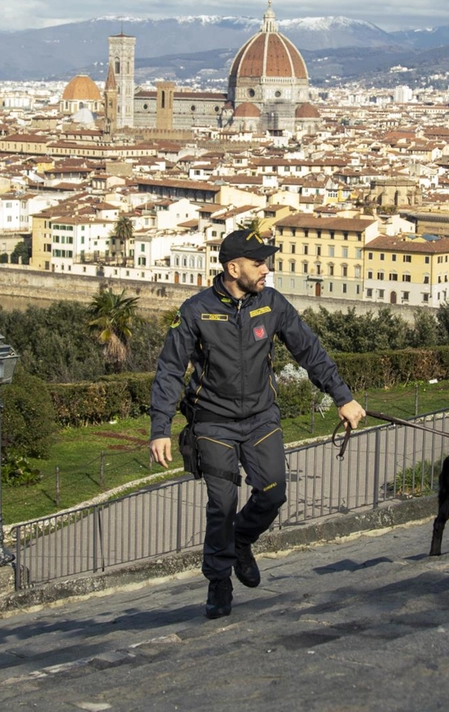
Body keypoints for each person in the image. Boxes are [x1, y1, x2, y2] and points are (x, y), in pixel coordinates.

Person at [149, 227, 365, 619]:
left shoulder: (272, 303)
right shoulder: (196, 311)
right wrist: (160, 428)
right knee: (222, 502)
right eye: (258, 263)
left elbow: (309, 350)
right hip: (212, 422)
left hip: (262, 418)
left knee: (273, 492)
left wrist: (343, 396)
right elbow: (168, 370)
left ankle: (241, 540)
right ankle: (218, 582)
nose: (266, 269)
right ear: (233, 268)